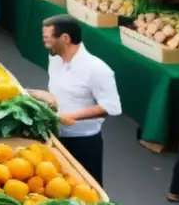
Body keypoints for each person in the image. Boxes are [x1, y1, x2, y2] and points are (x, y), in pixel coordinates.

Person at [29, 15, 121, 185]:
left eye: (48, 38)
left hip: (83, 142)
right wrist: (48, 98)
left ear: (65, 39)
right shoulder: (54, 59)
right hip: (55, 135)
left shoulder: (97, 69)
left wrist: (73, 116)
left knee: (87, 191)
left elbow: (112, 106)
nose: (45, 43)